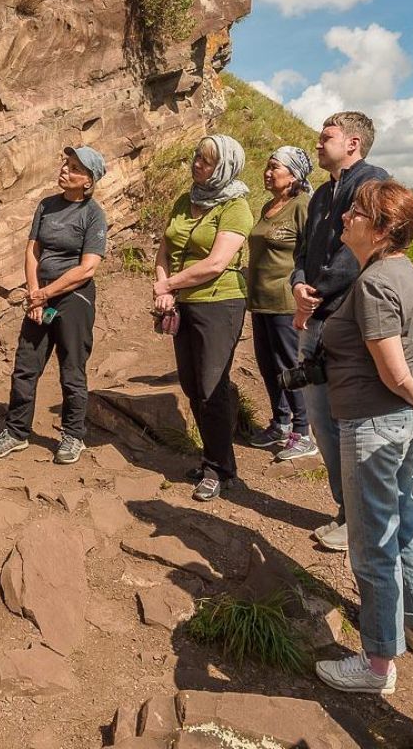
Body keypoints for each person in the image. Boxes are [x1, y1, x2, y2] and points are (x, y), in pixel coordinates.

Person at [310, 179, 413, 695]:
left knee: (371, 544)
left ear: (383, 228)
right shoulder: (402, 272)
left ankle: (377, 665)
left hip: (372, 423)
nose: (345, 219)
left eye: (356, 214)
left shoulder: (373, 283)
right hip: (396, 423)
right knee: (407, 518)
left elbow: (392, 368)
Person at [292, 111, 389, 551]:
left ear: (353, 143)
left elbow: (358, 253)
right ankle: (345, 510)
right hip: (313, 316)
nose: (317, 142)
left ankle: (357, 519)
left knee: (347, 421)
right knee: (320, 419)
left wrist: (318, 292)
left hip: (346, 322)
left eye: (325, 137)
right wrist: (299, 285)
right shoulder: (322, 194)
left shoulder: (371, 184)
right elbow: (303, 249)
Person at [0, 147, 108, 464]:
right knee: (26, 366)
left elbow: (87, 268)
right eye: (66, 164)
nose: (65, 170)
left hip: (74, 299)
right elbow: (32, 252)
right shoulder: (47, 205)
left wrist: (46, 294)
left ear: (88, 181)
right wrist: (35, 292)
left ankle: (72, 436)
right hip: (41, 296)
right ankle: (15, 432)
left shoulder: (93, 214)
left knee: (72, 370)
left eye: (75, 168)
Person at [153, 135, 252, 502]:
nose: (197, 164)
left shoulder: (237, 207)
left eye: (207, 162)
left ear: (223, 168)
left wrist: (168, 286)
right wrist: (164, 284)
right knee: (192, 383)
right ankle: (216, 458)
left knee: (212, 385)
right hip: (183, 302)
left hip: (220, 303)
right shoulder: (185, 200)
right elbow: (165, 247)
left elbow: (216, 263)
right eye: (196, 157)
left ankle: (218, 468)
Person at [246, 146, 317, 461]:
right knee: (266, 363)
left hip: (286, 301)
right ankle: (280, 422)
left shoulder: (302, 206)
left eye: (275, 167)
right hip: (261, 300)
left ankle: (303, 432)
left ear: (293, 175)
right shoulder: (267, 207)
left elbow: (312, 253)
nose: (268, 171)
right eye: (267, 165)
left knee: (289, 364)